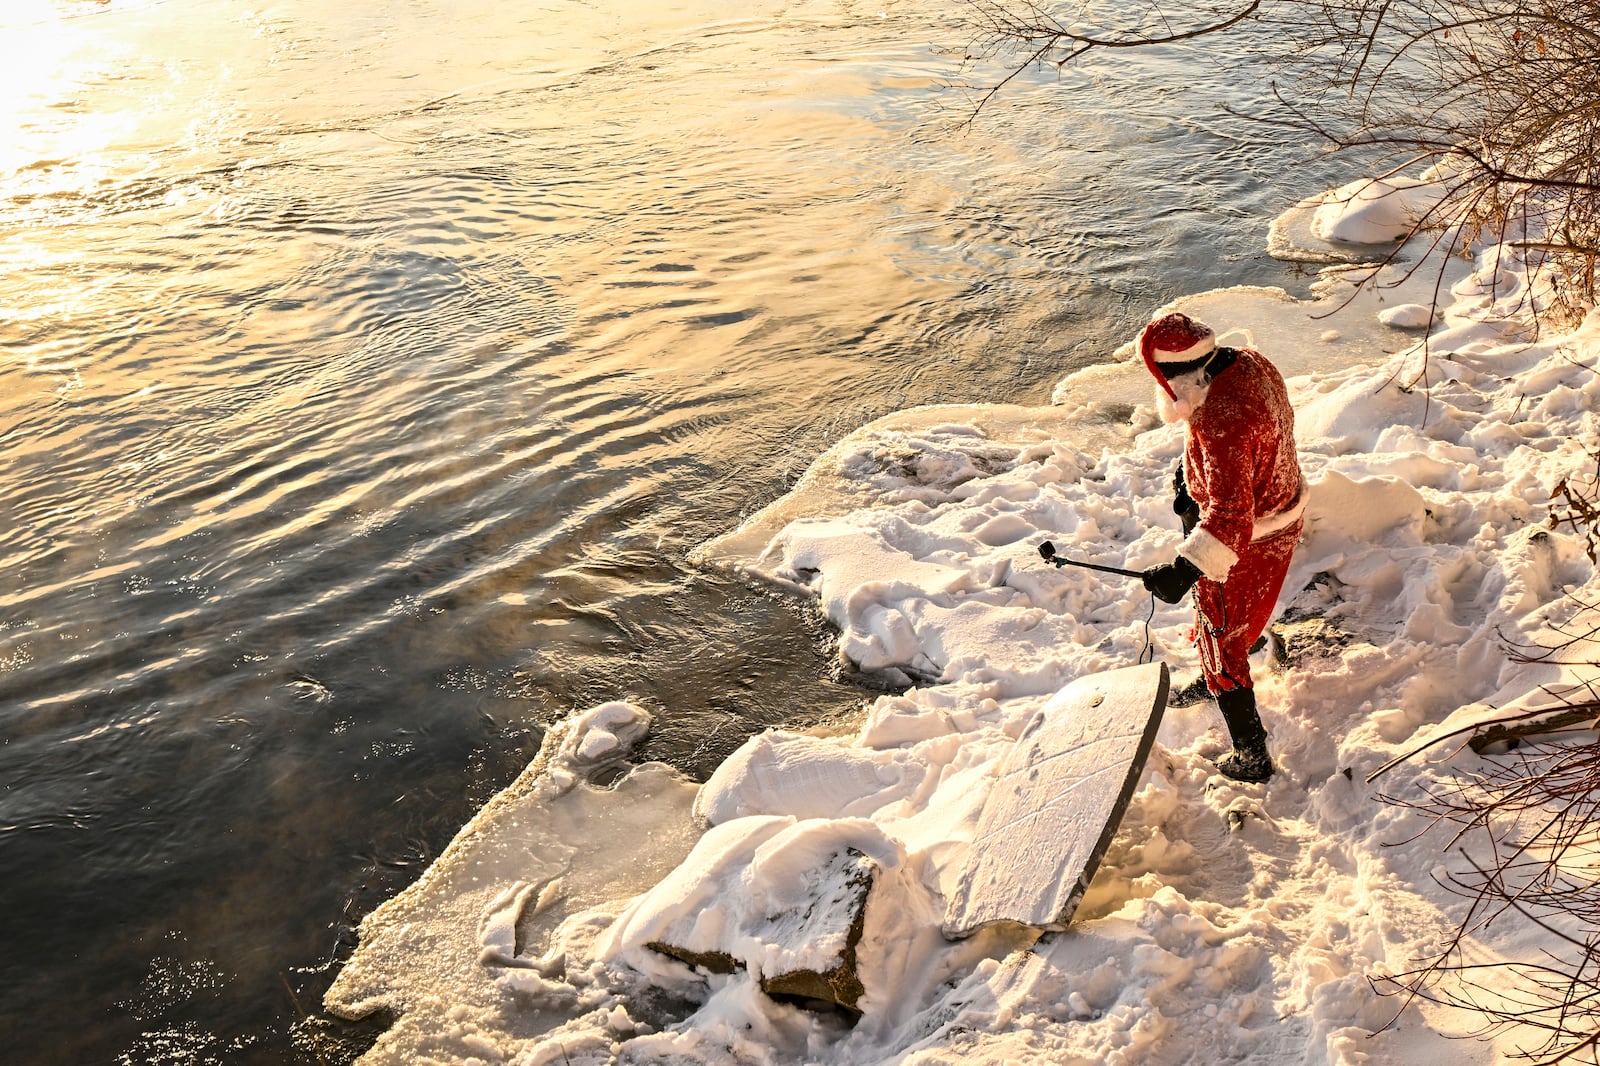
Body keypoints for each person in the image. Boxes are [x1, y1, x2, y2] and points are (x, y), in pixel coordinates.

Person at [1136, 311, 1306, 783]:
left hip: (1251, 540)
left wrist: (1182, 571)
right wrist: (1188, 479)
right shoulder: (1248, 362)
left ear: (1177, 377)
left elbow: (1230, 520)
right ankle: (1219, 676)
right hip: (1281, 508)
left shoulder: (1219, 423)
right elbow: (1247, 447)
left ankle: (1251, 754)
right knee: (1233, 623)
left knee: (1221, 633)